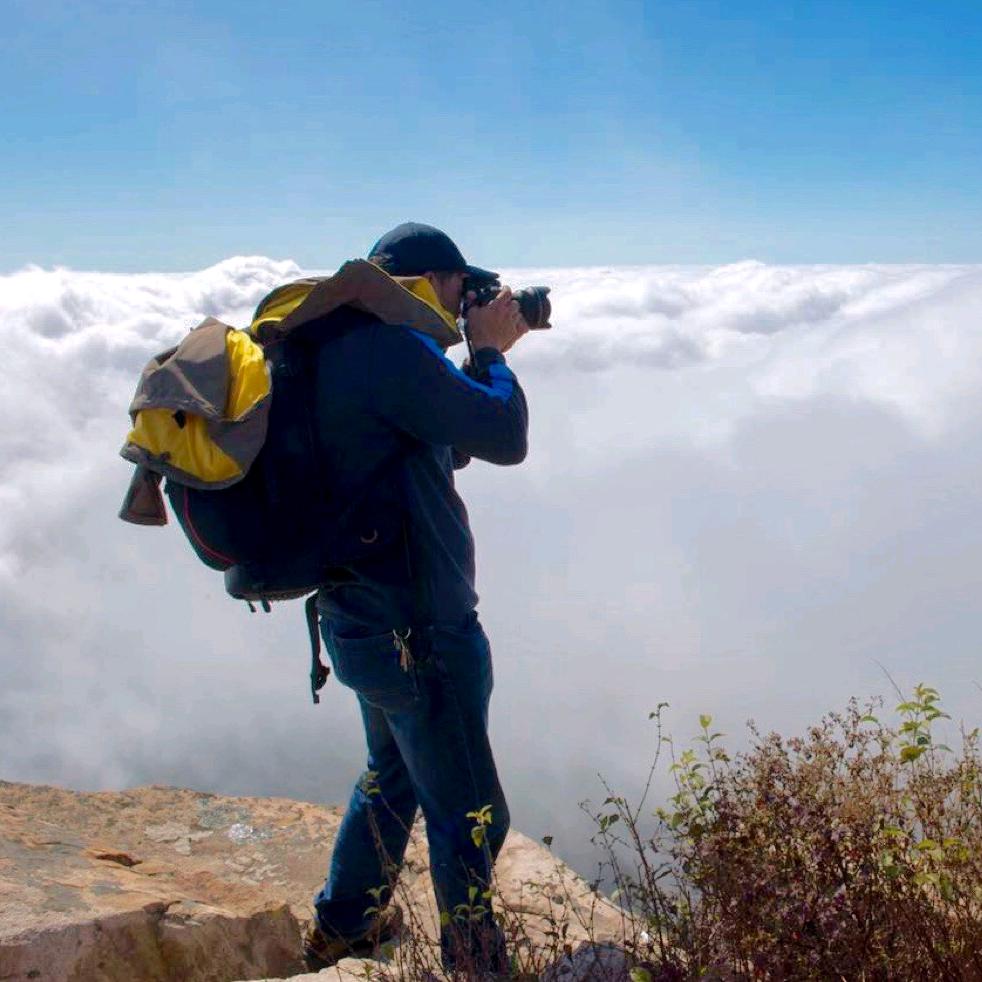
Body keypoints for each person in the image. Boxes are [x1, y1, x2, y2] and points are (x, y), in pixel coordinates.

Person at [302, 222, 530, 975]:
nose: (467, 305)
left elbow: (435, 441)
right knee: (470, 814)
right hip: (421, 630)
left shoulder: (345, 347)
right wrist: (491, 354)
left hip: (360, 619)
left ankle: (343, 924)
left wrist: (466, 361)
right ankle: (477, 967)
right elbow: (502, 435)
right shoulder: (395, 351)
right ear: (432, 283)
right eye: (464, 291)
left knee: (392, 773)